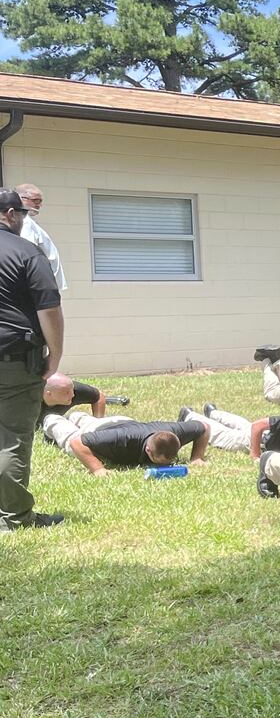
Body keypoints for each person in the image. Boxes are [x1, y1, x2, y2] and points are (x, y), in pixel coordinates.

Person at [0, 189, 64, 530]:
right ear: (10, 214)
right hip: (13, 360)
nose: (24, 220)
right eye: (22, 214)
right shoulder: (27, 252)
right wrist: (55, 356)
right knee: (12, 437)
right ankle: (15, 518)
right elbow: (49, 310)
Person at [43, 414, 208, 475]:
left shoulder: (174, 432)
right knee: (67, 436)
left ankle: (77, 416)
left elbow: (204, 427)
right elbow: (77, 443)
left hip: (122, 421)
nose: (166, 465)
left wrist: (197, 457)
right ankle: (51, 418)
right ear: (148, 450)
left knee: (81, 418)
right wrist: (98, 469)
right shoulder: (124, 439)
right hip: (105, 429)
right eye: (160, 462)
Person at [15, 184, 65, 292]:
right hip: (41, 287)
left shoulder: (29, 222)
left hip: (45, 285)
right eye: (36, 201)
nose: (40, 205)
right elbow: (27, 254)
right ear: (21, 199)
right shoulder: (25, 223)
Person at [40, 373, 123, 423]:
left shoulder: (74, 390)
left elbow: (98, 396)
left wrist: (97, 422)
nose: (72, 395)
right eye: (67, 392)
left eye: (71, 389)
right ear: (48, 394)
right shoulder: (29, 399)